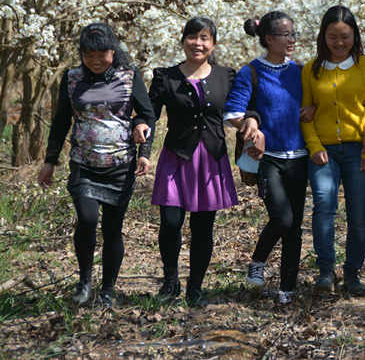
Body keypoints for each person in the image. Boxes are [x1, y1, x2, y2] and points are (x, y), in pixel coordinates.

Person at [38, 23, 154, 308]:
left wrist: (144, 148)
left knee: (113, 229)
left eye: (102, 54)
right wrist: (50, 161)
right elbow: (61, 121)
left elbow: (147, 114)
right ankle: (85, 281)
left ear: (113, 51)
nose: (96, 60)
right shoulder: (72, 78)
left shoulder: (129, 76)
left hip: (120, 165)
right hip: (84, 163)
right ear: (81, 54)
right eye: (89, 55)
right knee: (87, 220)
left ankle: (108, 289)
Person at [147, 17, 243, 306]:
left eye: (204, 38)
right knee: (170, 222)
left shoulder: (227, 76)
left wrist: (252, 122)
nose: (197, 43)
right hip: (176, 156)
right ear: (183, 41)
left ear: (213, 44)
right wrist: (142, 146)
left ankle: (196, 287)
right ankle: (170, 281)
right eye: (192, 37)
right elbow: (149, 116)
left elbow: (243, 108)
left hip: (210, 159)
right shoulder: (165, 77)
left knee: (203, 227)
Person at [224, 11, 310, 306]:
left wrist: (312, 109)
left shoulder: (300, 71)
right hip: (267, 158)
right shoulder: (251, 72)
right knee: (282, 218)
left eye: (294, 33)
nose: (292, 39)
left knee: (294, 227)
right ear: (269, 39)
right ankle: (258, 261)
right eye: (286, 35)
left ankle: (288, 288)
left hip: (299, 157)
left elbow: (313, 102)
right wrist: (252, 125)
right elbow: (233, 113)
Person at [301, 5, 365, 295]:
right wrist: (314, 146)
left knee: (358, 212)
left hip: (357, 150)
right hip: (323, 150)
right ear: (323, 37)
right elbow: (305, 112)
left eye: (345, 36)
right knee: (323, 207)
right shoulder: (311, 69)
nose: (339, 42)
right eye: (332, 36)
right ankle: (326, 271)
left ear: (355, 36)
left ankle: (353, 273)